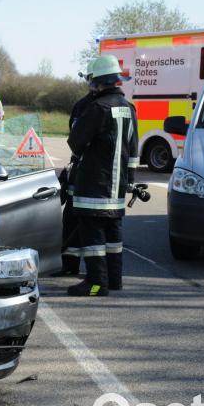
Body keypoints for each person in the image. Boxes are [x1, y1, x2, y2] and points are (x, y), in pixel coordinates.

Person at [65, 54, 139, 296]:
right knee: (113, 238)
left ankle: (96, 285)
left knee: (93, 238)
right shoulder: (129, 109)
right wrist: (130, 179)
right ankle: (114, 280)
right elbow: (133, 148)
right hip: (116, 189)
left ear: (97, 83)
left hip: (94, 186)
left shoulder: (97, 108)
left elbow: (75, 143)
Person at [53, 59, 98, 277]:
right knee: (71, 219)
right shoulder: (83, 106)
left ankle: (93, 274)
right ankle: (71, 266)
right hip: (81, 170)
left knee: (87, 225)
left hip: (91, 174)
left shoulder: (96, 107)